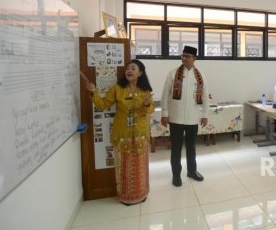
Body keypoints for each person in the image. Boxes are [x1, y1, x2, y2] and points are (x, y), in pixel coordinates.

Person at [86, 59, 154, 205]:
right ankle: (126, 197)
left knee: (140, 166)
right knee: (123, 167)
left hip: (140, 135)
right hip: (122, 135)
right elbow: (103, 105)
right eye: (128, 68)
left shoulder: (145, 91)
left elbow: (150, 110)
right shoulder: (117, 89)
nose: (129, 70)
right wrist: (94, 92)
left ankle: (142, 194)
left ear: (140, 73)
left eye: (133, 68)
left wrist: (147, 104)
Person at [161, 46, 209, 187]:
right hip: (175, 118)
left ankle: (192, 171)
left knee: (191, 147)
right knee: (176, 148)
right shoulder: (173, 73)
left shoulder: (200, 76)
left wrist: (205, 115)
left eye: (188, 56)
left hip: (193, 118)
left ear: (194, 58)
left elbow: (205, 96)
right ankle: (176, 175)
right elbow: (165, 95)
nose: (184, 58)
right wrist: (165, 114)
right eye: (183, 55)